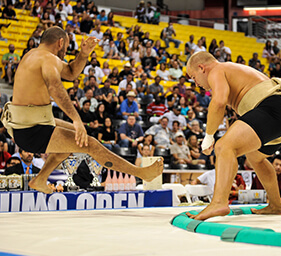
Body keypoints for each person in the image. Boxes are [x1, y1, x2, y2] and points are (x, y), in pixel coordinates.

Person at [1, 26, 163, 194]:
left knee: (79, 135)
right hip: (31, 129)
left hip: (27, 123)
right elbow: (55, 88)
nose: (65, 52)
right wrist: (76, 119)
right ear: (61, 42)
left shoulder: (33, 55)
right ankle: (141, 173)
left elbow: (71, 73)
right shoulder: (48, 59)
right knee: (89, 144)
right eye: (66, 47)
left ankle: (40, 179)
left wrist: (83, 54)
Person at [186, 51, 281, 220]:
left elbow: (219, 102)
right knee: (254, 158)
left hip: (272, 107)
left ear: (201, 68)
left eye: (193, 77)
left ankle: (219, 203)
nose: (195, 83)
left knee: (224, 146)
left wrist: (209, 136)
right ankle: (276, 205)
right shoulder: (231, 71)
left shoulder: (217, 70)